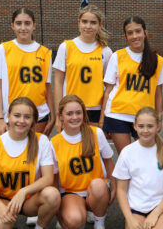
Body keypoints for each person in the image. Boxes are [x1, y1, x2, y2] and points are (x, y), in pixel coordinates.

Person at [0, 97, 60, 229]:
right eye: (17, 115)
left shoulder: (41, 141)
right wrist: (0, 208)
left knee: (52, 194)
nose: (21, 121)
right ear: (8, 116)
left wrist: (23, 192)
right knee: (1, 225)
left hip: (30, 200)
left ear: (33, 120)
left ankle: (40, 227)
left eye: (27, 117)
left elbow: (48, 178)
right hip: (4, 199)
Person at [101, 16, 163, 154]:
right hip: (117, 115)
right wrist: (102, 120)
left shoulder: (157, 60)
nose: (135, 36)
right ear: (125, 36)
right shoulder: (117, 56)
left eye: (138, 31)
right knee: (126, 160)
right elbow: (108, 90)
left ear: (145, 33)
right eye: (130, 33)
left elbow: (158, 93)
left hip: (144, 117)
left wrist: (159, 118)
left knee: (145, 159)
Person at [51, 95, 116, 229]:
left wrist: (114, 186)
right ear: (60, 116)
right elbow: (54, 177)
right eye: (69, 113)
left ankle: (99, 223)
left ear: (83, 114)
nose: (74, 117)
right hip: (71, 192)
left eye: (78, 113)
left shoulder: (96, 133)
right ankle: (75, 213)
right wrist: (58, 210)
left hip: (95, 191)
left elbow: (108, 162)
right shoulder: (54, 143)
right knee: (75, 220)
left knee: (98, 185)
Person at [0, 8, 55, 137]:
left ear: (34, 26)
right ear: (12, 26)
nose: (23, 27)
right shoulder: (2, 50)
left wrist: (52, 116)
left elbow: (47, 86)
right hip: (13, 116)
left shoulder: (45, 53)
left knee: (35, 154)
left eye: (27, 23)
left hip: (39, 114)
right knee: (14, 155)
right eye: (19, 23)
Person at [113, 107, 163, 229]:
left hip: (159, 208)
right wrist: (129, 218)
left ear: (158, 126)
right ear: (135, 126)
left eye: (150, 126)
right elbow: (121, 190)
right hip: (135, 209)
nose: (145, 130)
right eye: (141, 126)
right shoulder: (127, 152)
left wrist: (156, 213)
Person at [54, 4, 112, 131]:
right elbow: (58, 82)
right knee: (71, 148)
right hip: (70, 108)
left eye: (93, 22)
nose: (88, 26)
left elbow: (109, 86)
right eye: (84, 21)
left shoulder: (106, 51)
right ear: (78, 22)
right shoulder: (66, 47)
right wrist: (59, 114)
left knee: (92, 148)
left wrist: (103, 116)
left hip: (95, 109)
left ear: (100, 25)